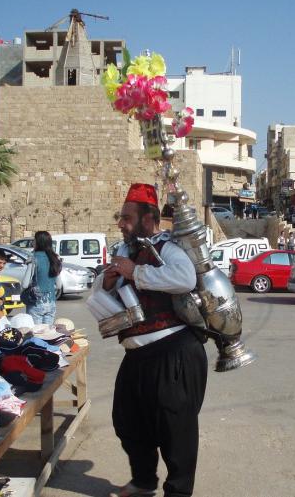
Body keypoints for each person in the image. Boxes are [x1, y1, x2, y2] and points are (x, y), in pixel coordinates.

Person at [102, 183, 207, 497]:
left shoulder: (168, 248)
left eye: (127, 218)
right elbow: (113, 289)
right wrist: (107, 282)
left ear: (148, 218)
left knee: (176, 433)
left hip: (173, 352)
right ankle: (144, 481)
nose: (121, 223)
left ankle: (178, 493)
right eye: (121, 218)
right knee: (127, 421)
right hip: (136, 355)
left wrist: (136, 272)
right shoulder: (124, 250)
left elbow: (185, 278)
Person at [23, 231, 62, 325]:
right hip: (51, 302)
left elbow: (24, 284)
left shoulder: (33, 259)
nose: (33, 242)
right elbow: (59, 285)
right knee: (47, 335)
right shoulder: (54, 259)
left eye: (34, 240)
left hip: (36, 303)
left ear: (38, 242)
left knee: (36, 335)